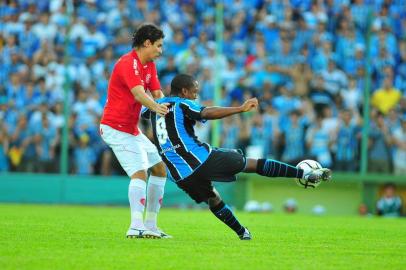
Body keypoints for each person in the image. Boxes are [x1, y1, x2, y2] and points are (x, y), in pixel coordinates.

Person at [145, 74, 332, 240]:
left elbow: (143, 110)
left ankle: (243, 232)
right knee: (251, 164)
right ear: (184, 91)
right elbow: (206, 112)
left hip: (180, 175)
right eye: (194, 92)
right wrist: (239, 109)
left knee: (213, 198)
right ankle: (303, 174)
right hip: (200, 159)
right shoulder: (182, 103)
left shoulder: (153, 108)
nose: (196, 95)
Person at [100, 24, 170, 239]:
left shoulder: (150, 65)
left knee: (159, 169)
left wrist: (170, 108)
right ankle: (135, 226)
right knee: (140, 172)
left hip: (131, 129)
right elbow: (140, 94)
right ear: (147, 43)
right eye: (158, 46)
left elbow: (157, 93)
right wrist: (157, 108)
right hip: (115, 128)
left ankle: (150, 225)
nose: (161, 50)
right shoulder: (127, 63)